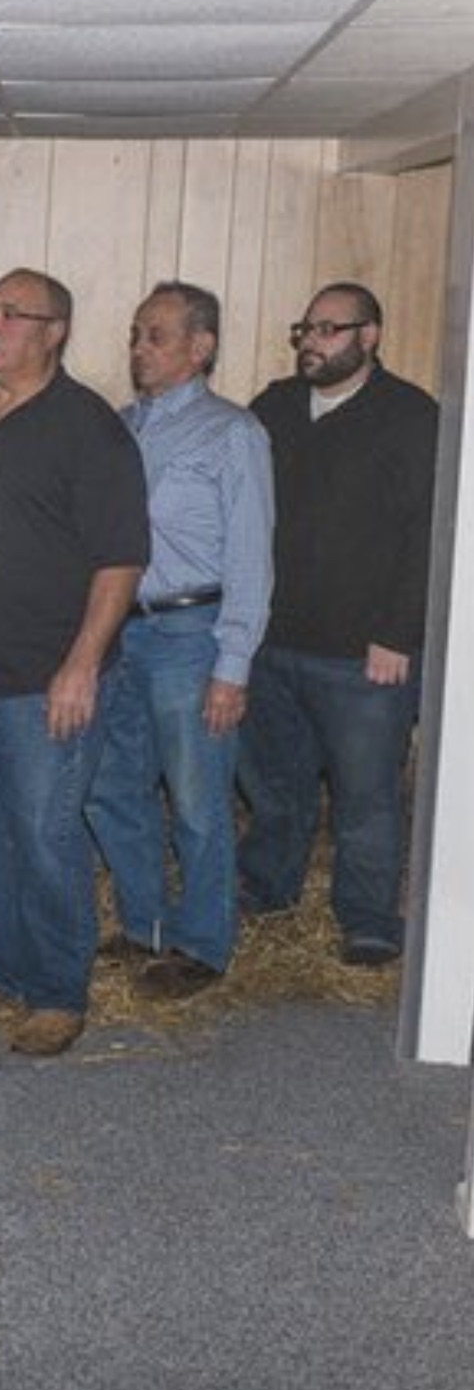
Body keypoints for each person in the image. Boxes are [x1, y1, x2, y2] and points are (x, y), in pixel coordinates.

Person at [0, 270, 149, 1056]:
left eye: (10, 315)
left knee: (45, 835)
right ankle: (2, 968)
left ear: (54, 331)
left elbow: (121, 560)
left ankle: (60, 992)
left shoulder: (87, 428)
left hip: (46, 681)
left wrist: (83, 666)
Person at [85, 282, 273, 1000]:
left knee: (196, 796)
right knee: (108, 785)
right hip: (118, 630)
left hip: (191, 632)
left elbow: (254, 556)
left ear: (202, 348)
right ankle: (145, 925)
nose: (139, 349)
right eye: (136, 334)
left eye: (156, 336)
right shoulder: (122, 427)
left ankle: (203, 942)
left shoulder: (233, 433)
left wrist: (234, 663)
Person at [239, 284, 437, 966]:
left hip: (364, 655)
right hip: (272, 641)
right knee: (274, 784)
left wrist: (397, 633)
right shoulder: (276, 408)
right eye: (306, 328)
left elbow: (429, 536)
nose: (311, 342)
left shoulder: (411, 417)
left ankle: (368, 918)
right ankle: (267, 891)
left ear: (370, 336)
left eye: (329, 329)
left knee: (367, 795)